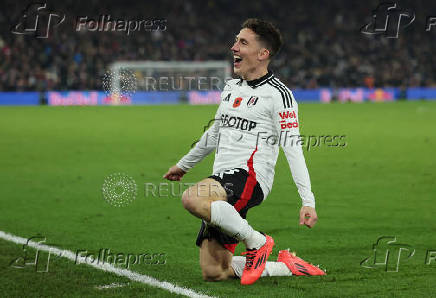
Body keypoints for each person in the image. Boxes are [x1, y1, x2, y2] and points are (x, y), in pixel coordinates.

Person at [163, 18, 325, 285]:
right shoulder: (231, 88)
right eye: (236, 40)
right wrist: (184, 165)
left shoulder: (279, 96)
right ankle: (288, 266)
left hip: (248, 177)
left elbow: (293, 147)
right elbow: (214, 132)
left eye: (243, 42)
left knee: (193, 198)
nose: (233, 47)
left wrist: (308, 200)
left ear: (263, 54)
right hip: (222, 179)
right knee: (215, 271)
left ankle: (258, 241)